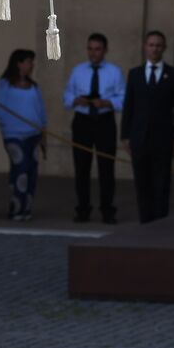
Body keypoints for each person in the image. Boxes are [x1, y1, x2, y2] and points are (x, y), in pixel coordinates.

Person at [120, 30, 174, 224]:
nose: (155, 48)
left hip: (164, 139)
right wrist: (125, 135)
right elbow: (129, 107)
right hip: (139, 138)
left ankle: (160, 222)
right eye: (151, 45)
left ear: (164, 48)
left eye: (158, 45)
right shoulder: (135, 74)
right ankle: (145, 221)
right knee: (142, 184)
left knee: (162, 184)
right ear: (145, 47)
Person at [62, 32, 124, 223]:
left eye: (97, 49)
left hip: (104, 122)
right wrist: (77, 100)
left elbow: (123, 98)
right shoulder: (78, 70)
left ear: (105, 50)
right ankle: (82, 209)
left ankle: (107, 209)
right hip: (82, 121)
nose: (93, 53)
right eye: (90, 48)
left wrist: (106, 103)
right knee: (82, 168)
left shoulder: (114, 72)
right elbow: (66, 96)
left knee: (106, 168)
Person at [0, 48, 47, 220]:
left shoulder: (33, 86)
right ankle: (16, 206)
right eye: (29, 61)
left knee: (31, 170)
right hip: (13, 135)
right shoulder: (4, 84)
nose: (32, 65)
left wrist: (43, 130)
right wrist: (10, 122)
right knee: (20, 167)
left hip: (34, 135)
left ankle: (27, 207)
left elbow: (40, 110)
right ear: (19, 63)